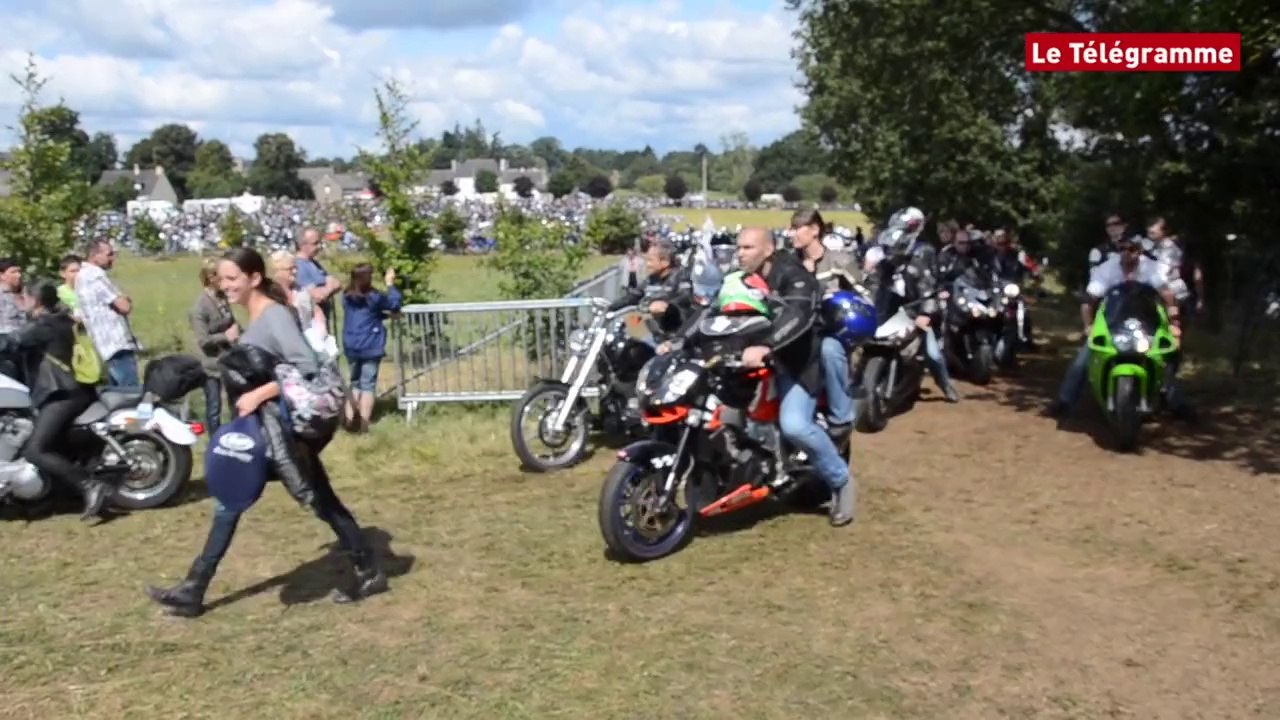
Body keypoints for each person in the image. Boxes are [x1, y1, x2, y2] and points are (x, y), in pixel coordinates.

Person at [145, 248, 387, 618]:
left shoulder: (274, 316)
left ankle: (367, 568)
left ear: (254, 278)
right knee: (247, 502)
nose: (224, 285)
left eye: (232, 279)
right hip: (267, 430)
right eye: (221, 279)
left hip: (284, 433)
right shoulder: (254, 316)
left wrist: (259, 394)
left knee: (307, 500)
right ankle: (193, 588)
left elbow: (307, 366)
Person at [735, 227, 855, 527]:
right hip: (748, 360)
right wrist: (681, 339)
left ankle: (841, 481)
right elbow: (711, 308)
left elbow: (798, 315)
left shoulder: (795, 276)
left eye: (748, 248)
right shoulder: (738, 278)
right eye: (739, 247)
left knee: (795, 425)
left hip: (797, 362)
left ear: (768, 250)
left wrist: (767, 345)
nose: (740, 253)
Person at [0, 281, 109, 520]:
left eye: (25, 297)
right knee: (51, 444)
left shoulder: (44, 325)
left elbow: (11, 342)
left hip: (63, 395)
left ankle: (89, 485)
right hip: (76, 390)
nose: (21, 301)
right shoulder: (64, 319)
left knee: (35, 450)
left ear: (35, 301)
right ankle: (49, 498)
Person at [1047, 234, 1187, 418]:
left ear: (1139, 251)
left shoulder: (1151, 268)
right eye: (1122, 249)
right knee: (1083, 359)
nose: (1126, 253)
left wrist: (1174, 324)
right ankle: (1065, 400)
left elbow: (1167, 296)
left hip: (1147, 322)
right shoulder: (1107, 269)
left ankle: (1175, 402)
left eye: (1132, 249)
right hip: (1112, 322)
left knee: (1167, 356)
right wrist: (1088, 326)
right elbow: (1089, 300)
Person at [789, 209, 864, 442]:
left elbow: (863, 296)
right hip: (793, 330)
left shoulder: (839, 261)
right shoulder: (788, 262)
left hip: (830, 331)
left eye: (796, 228)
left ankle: (841, 417)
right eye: (791, 228)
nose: (791, 233)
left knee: (829, 350)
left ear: (814, 230)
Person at [873, 208, 961, 403]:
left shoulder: (924, 252)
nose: (891, 252)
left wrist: (925, 314)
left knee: (933, 354)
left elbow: (929, 286)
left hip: (917, 309)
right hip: (891, 310)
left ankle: (946, 385)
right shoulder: (888, 250)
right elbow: (878, 282)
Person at [341, 263, 402, 432]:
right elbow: (394, 303)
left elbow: (365, 314)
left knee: (354, 383)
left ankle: (349, 421)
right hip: (370, 345)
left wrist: (381, 315)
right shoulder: (374, 297)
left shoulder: (347, 296)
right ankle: (363, 425)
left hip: (351, 344)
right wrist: (390, 284)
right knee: (367, 385)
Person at [76, 240, 142, 388]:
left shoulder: (82, 276)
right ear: (94, 255)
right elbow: (124, 306)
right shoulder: (95, 275)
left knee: (115, 394)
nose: (113, 258)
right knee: (130, 392)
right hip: (116, 345)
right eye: (109, 254)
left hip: (101, 346)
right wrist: (125, 299)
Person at [189, 258, 239, 434]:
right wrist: (225, 336)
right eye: (222, 276)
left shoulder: (222, 298)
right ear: (211, 277)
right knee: (214, 406)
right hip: (211, 364)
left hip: (229, 359)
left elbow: (230, 321)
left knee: (235, 401)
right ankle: (215, 438)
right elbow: (203, 340)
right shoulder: (199, 308)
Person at [609, 239, 693, 339]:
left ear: (665, 262)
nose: (647, 264)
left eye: (650, 260)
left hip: (672, 333)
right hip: (649, 329)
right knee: (622, 337)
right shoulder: (650, 279)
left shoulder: (680, 276)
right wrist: (610, 307)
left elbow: (685, 297)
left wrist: (668, 306)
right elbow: (634, 296)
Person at [294, 227, 342, 329]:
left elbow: (337, 284)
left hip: (323, 323)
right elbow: (317, 296)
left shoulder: (314, 263)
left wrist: (326, 289)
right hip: (311, 326)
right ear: (302, 245)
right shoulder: (299, 266)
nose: (319, 246)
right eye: (315, 243)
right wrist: (329, 287)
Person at [0, 257, 29, 335]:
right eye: (13, 272)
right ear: (2, 275)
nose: (19, 275)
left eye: (19, 271)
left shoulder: (29, 294)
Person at [56, 255, 82, 321]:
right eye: (72, 271)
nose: (77, 274)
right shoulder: (58, 294)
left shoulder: (89, 290)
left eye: (79, 271)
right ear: (62, 274)